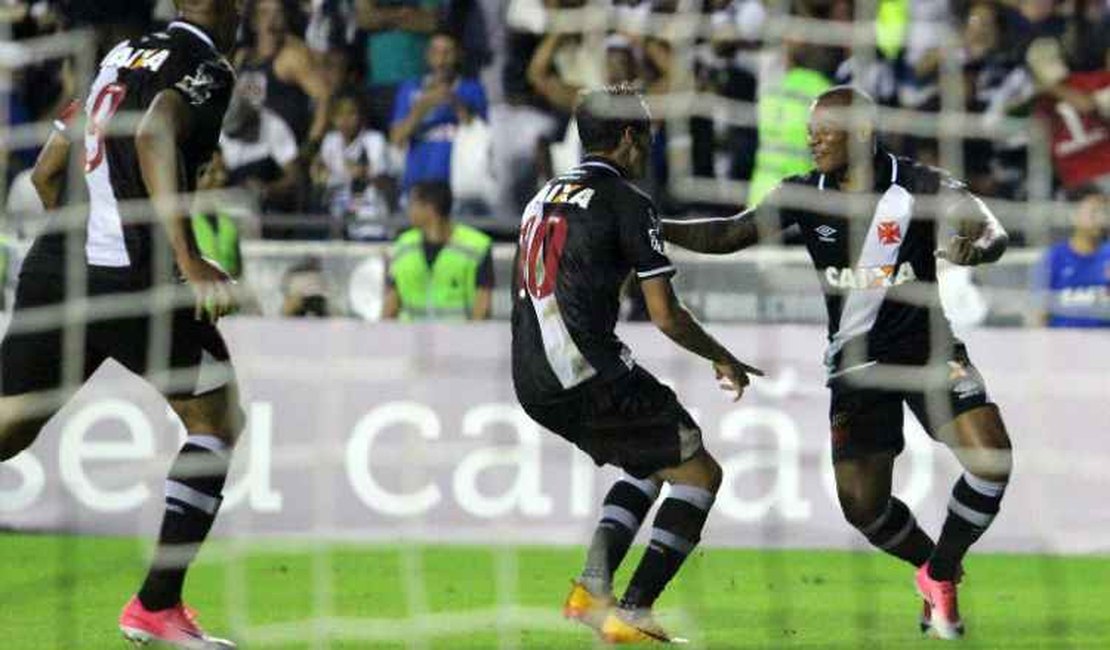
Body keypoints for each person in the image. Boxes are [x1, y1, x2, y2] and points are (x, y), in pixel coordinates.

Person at [663, 86, 1014, 641]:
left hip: (929, 352)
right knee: (862, 508)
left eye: (825, 131)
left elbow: (991, 229)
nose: (813, 141)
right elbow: (732, 233)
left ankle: (943, 573)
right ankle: (932, 568)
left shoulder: (919, 184)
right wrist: (649, 231)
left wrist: (979, 247)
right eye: (811, 132)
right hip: (855, 367)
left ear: (863, 133)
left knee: (991, 457)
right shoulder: (804, 193)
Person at [0, 2, 244, 647]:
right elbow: (155, 132)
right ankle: (155, 608)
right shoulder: (204, 67)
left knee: (9, 429)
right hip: (132, 273)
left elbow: (46, 171)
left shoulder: (120, 57)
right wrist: (185, 260)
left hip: (56, 263)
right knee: (214, 420)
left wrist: (79, 241)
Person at [511, 84, 761, 644]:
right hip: (584, 368)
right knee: (700, 474)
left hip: (530, 375)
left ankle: (589, 590)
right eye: (647, 130)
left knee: (647, 461)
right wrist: (723, 356)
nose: (650, 143)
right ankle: (634, 609)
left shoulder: (542, 195)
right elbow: (665, 317)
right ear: (628, 137)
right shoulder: (629, 201)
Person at [389, 31, 488, 193]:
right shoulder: (410, 89)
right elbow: (396, 138)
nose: (441, 60)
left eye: (447, 53)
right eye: (435, 52)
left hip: (459, 187)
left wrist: (453, 100)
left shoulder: (473, 89)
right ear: (427, 55)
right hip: (418, 185)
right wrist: (422, 107)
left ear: (458, 55)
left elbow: (480, 133)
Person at [382, 181, 493, 320]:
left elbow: (482, 305)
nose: (409, 211)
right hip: (410, 339)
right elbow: (391, 303)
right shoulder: (403, 246)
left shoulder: (476, 246)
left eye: (413, 204)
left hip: (459, 339)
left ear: (430, 208)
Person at [236, 0, 331, 147]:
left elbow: (324, 97)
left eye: (278, 12)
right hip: (247, 147)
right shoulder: (242, 58)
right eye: (264, 13)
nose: (271, 19)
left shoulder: (292, 57)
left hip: (284, 151)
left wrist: (312, 144)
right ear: (253, 21)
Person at [312, 92, 394, 239]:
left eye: (351, 114)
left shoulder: (375, 140)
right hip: (340, 217)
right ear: (332, 118)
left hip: (371, 219)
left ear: (361, 117)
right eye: (340, 115)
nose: (345, 120)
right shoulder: (330, 141)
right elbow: (321, 177)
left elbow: (384, 182)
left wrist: (363, 172)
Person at [1033, 187, 1110, 327]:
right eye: (1094, 212)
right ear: (1073, 215)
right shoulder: (1053, 259)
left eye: (1104, 212)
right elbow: (1039, 316)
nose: (1101, 218)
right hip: (1063, 345)